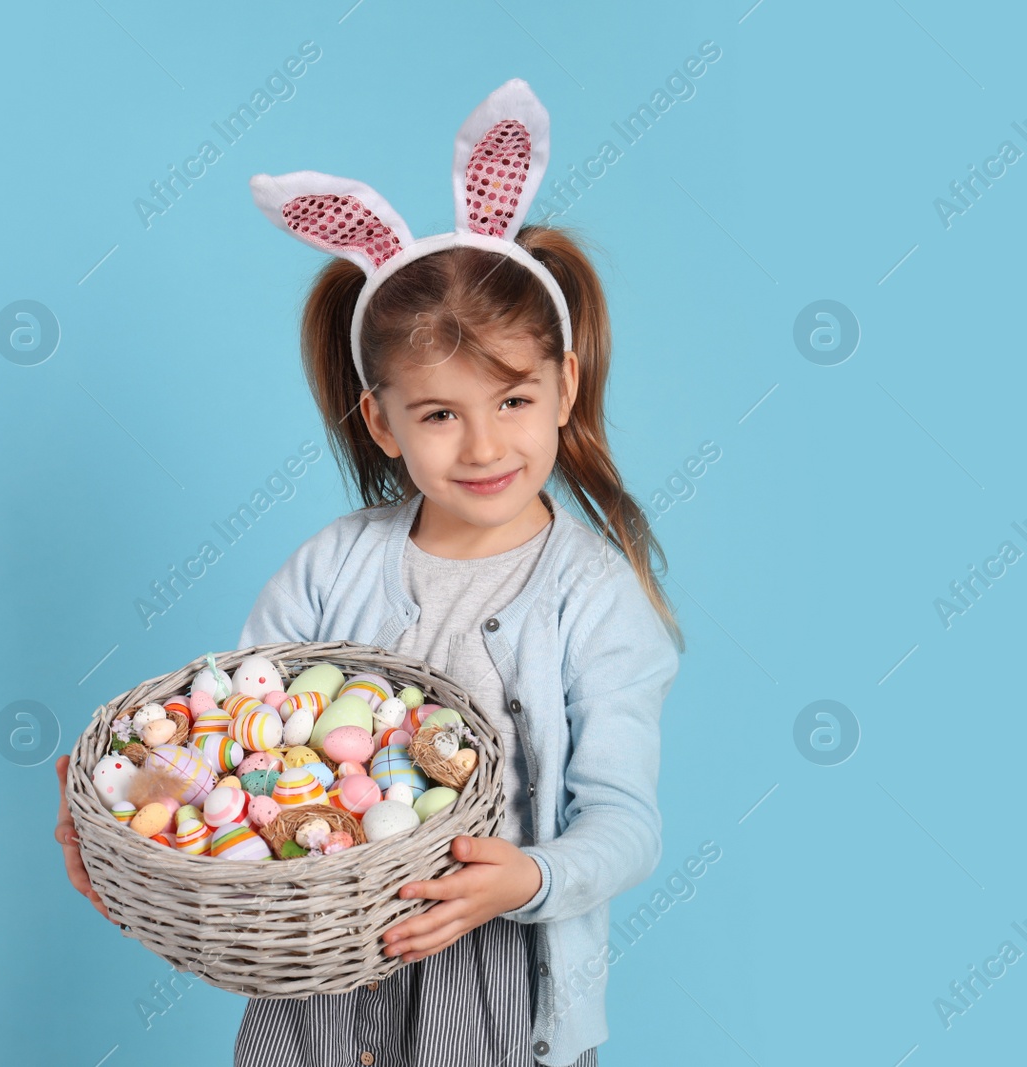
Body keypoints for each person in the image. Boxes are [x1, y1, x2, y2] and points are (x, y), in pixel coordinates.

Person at [57, 80, 684, 1066]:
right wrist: (133, 804)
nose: (483, 443)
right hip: (317, 972)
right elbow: (230, 734)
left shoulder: (592, 597)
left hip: (494, 983)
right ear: (383, 422)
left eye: (513, 398)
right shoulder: (330, 566)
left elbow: (625, 821)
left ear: (564, 385)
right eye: (438, 412)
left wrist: (525, 877)